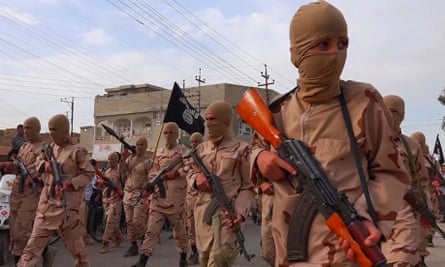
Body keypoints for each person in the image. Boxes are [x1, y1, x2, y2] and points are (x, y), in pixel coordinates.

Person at [248, 1, 410, 266]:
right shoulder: (278, 112)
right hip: (289, 256)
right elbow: (252, 155)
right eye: (323, 44)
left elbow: (392, 172)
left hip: (345, 253)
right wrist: (260, 158)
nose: (335, 54)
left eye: (342, 44)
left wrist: (368, 216)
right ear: (299, 51)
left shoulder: (364, 101)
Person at [17, 114, 95, 267]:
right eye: (50, 129)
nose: (52, 133)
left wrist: (71, 183)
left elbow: (89, 173)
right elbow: (38, 161)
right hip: (46, 206)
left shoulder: (77, 150)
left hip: (67, 209)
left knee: (77, 251)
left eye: (55, 129)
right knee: (31, 248)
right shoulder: (49, 148)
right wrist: (43, 166)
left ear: (64, 130)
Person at [189, 100, 254, 266]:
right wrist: (196, 179)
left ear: (225, 120)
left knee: (219, 259)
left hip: (228, 217)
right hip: (203, 216)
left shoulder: (242, 149)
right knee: (204, 259)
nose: (209, 123)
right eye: (207, 119)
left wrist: (240, 213)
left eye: (213, 119)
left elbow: (248, 186)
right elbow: (189, 171)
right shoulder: (200, 150)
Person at [131, 122, 189, 267]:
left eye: (171, 133)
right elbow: (153, 171)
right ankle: (142, 261)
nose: (168, 135)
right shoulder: (160, 152)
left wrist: (175, 173)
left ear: (177, 135)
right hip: (158, 197)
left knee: (180, 232)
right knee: (151, 230)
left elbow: (189, 168)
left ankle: (183, 258)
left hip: (176, 199)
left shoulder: (184, 152)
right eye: (166, 133)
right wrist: (152, 182)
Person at [382, 95, 430, 266]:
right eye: (387, 111)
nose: (391, 116)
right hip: (372, 211)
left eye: (395, 112)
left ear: (403, 116)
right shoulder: (367, 140)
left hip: (404, 210)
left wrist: (425, 211)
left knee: (403, 258)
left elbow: (421, 182)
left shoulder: (411, 146)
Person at [8, 117, 57, 266]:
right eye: (25, 128)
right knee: (15, 228)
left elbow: (51, 171)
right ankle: (47, 251)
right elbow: (19, 165)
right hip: (18, 190)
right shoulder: (23, 147)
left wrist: (36, 177)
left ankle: (25, 262)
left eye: (29, 128)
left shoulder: (45, 148)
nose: (26, 131)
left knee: (23, 232)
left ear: (36, 129)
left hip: (33, 193)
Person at [121, 136, 153, 257]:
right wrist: (122, 159)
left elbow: (151, 178)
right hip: (128, 193)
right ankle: (133, 245)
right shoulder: (131, 159)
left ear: (145, 146)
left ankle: (147, 237)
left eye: (141, 145)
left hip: (140, 194)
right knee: (129, 221)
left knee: (137, 220)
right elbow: (122, 172)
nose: (139, 147)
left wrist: (148, 193)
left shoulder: (148, 162)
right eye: (137, 144)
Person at [411, 131, 441, 255]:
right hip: (410, 193)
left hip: (428, 193)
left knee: (428, 219)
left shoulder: (430, 159)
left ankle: (426, 243)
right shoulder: (407, 154)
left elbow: (436, 175)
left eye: (421, 142)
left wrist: (435, 187)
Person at [98, 152, 124, 253]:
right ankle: (119, 237)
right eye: (109, 159)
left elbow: (125, 182)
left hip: (116, 199)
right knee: (110, 221)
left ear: (117, 160)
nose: (110, 161)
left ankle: (105, 243)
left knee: (110, 221)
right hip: (106, 199)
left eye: (112, 159)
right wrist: (101, 182)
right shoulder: (106, 171)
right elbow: (100, 183)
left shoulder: (120, 172)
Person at [184, 132, 203, 265]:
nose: (194, 144)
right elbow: (182, 172)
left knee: (204, 228)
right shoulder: (187, 158)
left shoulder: (208, 156)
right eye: (192, 142)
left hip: (204, 199)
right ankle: (195, 253)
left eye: (196, 141)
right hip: (189, 198)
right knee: (191, 228)